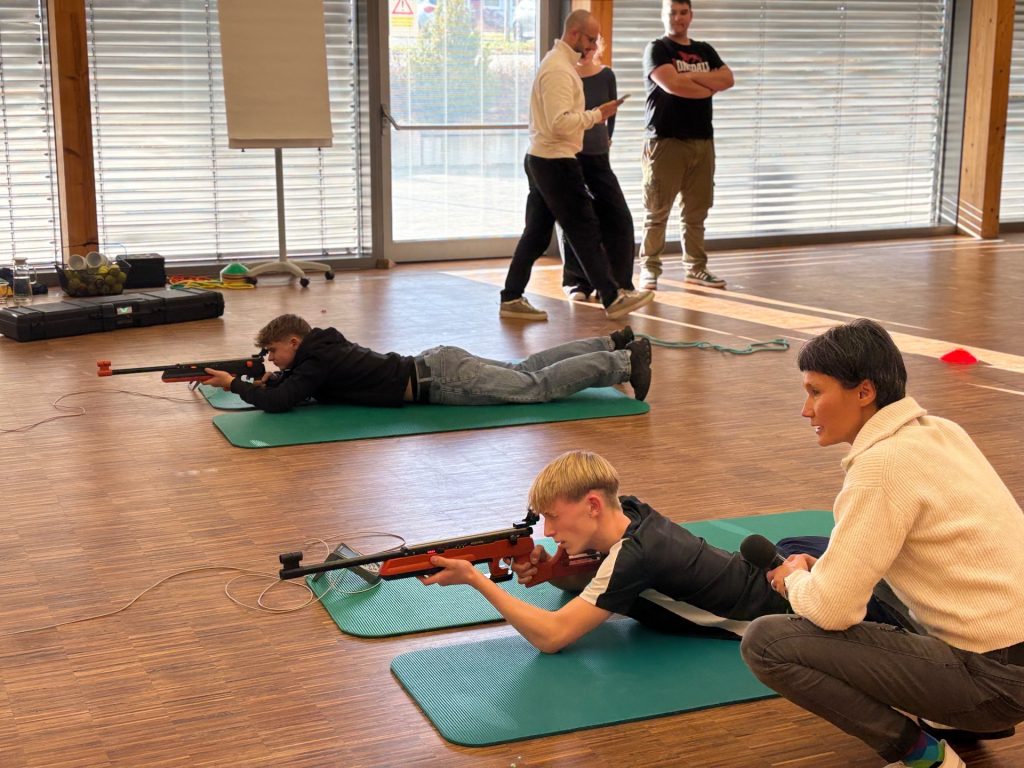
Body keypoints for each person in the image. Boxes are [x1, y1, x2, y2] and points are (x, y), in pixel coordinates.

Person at [740, 319, 1024, 768]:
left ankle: (924, 756)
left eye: (815, 392)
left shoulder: (881, 466)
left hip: (995, 682)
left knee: (766, 643)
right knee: (811, 549)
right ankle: (958, 719)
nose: (805, 410)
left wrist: (794, 581)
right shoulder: (942, 430)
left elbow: (833, 611)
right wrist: (819, 571)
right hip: (1009, 658)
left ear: (864, 392)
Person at [420, 450, 901, 653]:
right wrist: (552, 572)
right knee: (805, 548)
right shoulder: (629, 511)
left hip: (789, 610)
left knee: (885, 587)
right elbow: (597, 578)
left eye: (554, 517)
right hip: (768, 563)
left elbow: (552, 637)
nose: (548, 530)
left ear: (592, 505)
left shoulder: (635, 556)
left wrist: (476, 580)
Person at [499, 10, 653, 322]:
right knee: (584, 229)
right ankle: (612, 297)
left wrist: (597, 113)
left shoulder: (559, 64)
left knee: (537, 234)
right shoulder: (558, 70)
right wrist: (597, 115)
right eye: (591, 39)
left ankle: (511, 296)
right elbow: (559, 123)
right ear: (574, 35)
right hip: (554, 161)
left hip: (543, 159)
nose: (594, 45)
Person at [202, 314, 653, 413]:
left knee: (534, 385)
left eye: (273, 351)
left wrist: (234, 385)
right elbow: (298, 385)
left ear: (294, 342)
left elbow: (284, 400)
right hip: (438, 364)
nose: (270, 359)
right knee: (526, 368)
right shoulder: (321, 349)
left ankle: (621, 363)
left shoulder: (315, 358)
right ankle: (611, 342)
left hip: (440, 380)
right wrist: (270, 377)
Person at [638, 0, 734, 291]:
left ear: (691, 15)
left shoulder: (705, 50)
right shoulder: (657, 49)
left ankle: (696, 268)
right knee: (657, 211)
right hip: (666, 141)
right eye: (672, 12)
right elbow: (673, 85)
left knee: (696, 212)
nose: (678, 18)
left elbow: (727, 79)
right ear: (663, 14)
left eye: (683, 12)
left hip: (702, 142)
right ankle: (649, 269)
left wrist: (688, 75)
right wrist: (706, 86)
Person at [557, 38, 636, 303]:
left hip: (599, 156)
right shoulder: (564, 74)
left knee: (618, 216)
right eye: (584, 44)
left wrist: (607, 139)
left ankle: (619, 282)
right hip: (570, 155)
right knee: (576, 219)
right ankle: (576, 281)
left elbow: (610, 114)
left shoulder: (606, 75)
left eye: (593, 44)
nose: (587, 50)